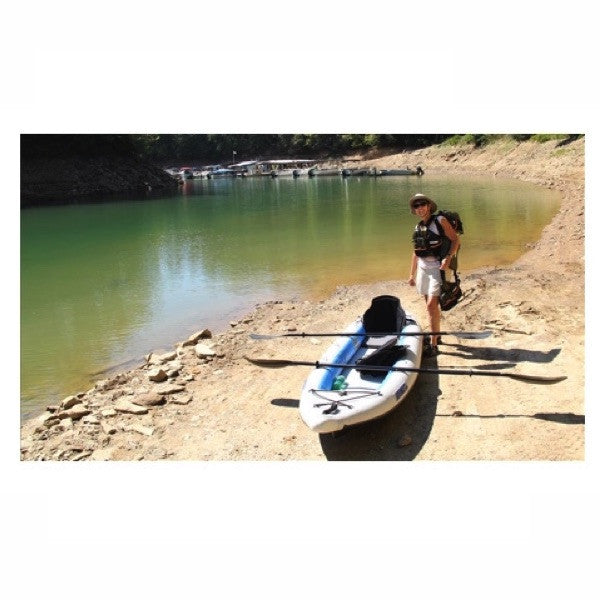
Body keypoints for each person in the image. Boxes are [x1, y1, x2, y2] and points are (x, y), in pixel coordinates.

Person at [407, 193, 460, 357]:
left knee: (431, 305)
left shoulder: (440, 221)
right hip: (423, 269)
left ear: (429, 206)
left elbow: (455, 240)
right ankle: (436, 335)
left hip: (438, 269)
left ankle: (433, 344)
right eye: (416, 206)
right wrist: (411, 274)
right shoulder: (418, 227)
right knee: (431, 307)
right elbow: (416, 253)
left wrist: (448, 258)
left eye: (422, 204)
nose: (420, 208)